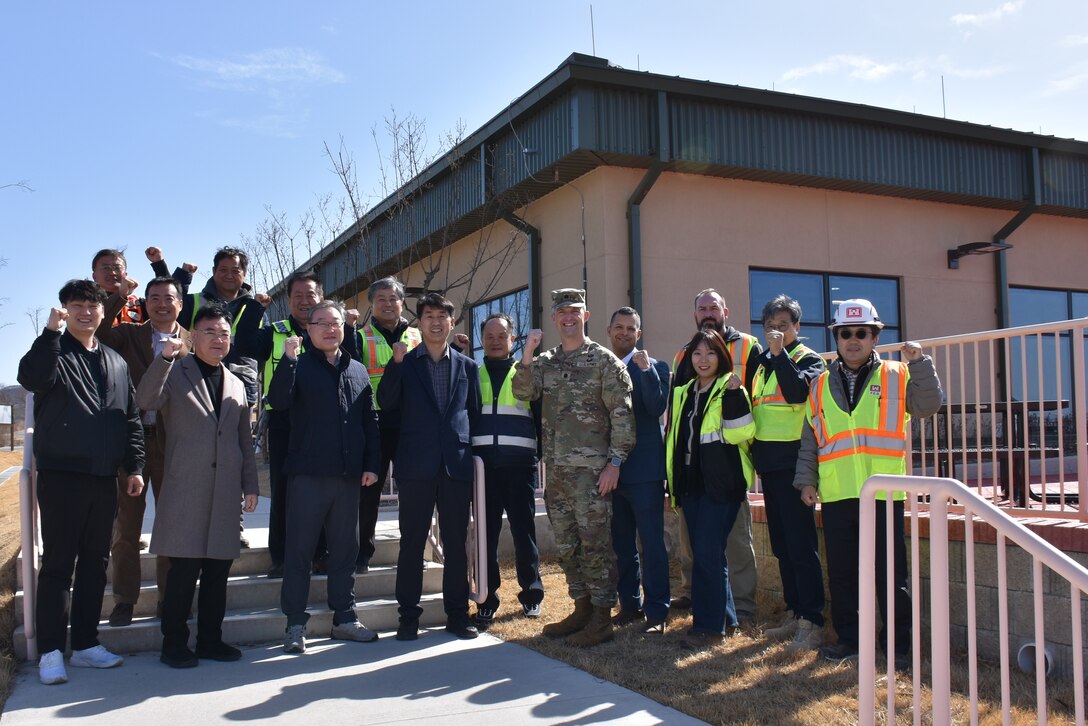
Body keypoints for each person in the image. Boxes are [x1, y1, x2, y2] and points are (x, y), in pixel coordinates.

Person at [794, 299, 943, 665]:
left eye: (862, 333)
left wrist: (921, 364)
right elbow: (811, 438)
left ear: (875, 336)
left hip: (884, 493)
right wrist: (806, 481)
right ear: (837, 338)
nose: (853, 340)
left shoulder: (898, 373)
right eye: (846, 333)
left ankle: (899, 649)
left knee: (891, 575)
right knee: (843, 575)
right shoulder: (819, 384)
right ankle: (850, 642)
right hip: (838, 492)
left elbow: (928, 405)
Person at [18, 279, 145, 685]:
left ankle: (87, 644)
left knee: (95, 562)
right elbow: (32, 379)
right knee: (58, 565)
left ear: (103, 312)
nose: (85, 313)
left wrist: (135, 466)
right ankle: (52, 651)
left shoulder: (116, 361)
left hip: (104, 477)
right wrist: (49, 334)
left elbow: (130, 418)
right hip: (62, 476)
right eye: (76, 307)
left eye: (92, 307)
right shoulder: (53, 349)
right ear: (64, 311)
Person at [137, 303, 259, 667]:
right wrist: (163, 359)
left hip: (224, 492)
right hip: (185, 490)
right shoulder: (175, 372)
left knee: (218, 574)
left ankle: (210, 640)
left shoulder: (236, 382)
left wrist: (249, 485)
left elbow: (243, 439)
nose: (218, 339)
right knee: (183, 574)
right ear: (193, 336)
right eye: (209, 332)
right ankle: (174, 644)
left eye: (224, 333)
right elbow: (144, 401)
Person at [513, 288, 635, 647]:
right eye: (561, 311)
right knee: (568, 547)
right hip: (559, 474)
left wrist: (615, 464)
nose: (568, 316)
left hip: (593, 474)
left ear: (586, 315)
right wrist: (528, 352)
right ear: (553, 319)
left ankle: (601, 618)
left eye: (574, 310)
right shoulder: (547, 361)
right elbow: (522, 391)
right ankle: (581, 609)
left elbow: (623, 416)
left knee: (595, 546)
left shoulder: (604, 361)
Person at [268, 300, 382, 654]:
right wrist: (287, 362)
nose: (330, 329)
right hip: (307, 476)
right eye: (321, 324)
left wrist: (372, 464)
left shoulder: (358, 370)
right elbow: (278, 401)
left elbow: (369, 422)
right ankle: (295, 625)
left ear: (344, 328)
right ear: (308, 329)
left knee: (345, 552)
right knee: (299, 552)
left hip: (348, 478)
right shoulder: (297, 366)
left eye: (336, 323)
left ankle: (345, 619)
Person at [377, 292, 481, 641]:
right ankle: (408, 617)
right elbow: (386, 402)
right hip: (415, 467)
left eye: (442, 316)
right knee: (411, 544)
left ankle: (457, 615)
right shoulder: (405, 363)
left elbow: (475, 414)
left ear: (452, 323)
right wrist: (394, 363)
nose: (435, 322)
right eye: (428, 316)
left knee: (455, 543)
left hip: (455, 466)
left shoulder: (467, 366)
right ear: (418, 324)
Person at [241, 270, 359, 578]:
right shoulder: (275, 331)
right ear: (289, 300)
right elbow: (242, 345)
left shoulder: (335, 328)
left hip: (326, 426)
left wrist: (350, 328)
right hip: (284, 424)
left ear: (321, 298)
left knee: (325, 491)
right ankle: (281, 557)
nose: (305, 301)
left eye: (311, 295)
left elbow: (353, 365)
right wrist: (256, 309)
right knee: (284, 492)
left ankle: (321, 554)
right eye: (298, 296)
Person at [97, 276, 192, 627]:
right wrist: (119, 296)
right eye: (154, 298)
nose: (162, 304)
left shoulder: (194, 342)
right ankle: (124, 601)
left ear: (180, 303)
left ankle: (171, 599)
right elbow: (101, 330)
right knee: (126, 528)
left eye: (169, 298)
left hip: (174, 444)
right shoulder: (130, 335)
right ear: (144, 303)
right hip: (132, 441)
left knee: (172, 526)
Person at [670, 288, 761, 622]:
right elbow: (680, 410)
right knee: (693, 543)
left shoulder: (749, 346)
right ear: (694, 313)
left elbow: (757, 399)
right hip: (693, 471)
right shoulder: (684, 354)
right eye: (701, 308)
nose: (707, 312)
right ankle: (693, 593)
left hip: (729, 465)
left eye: (713, 307)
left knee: (735, 542)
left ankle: (742, 605)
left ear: (726, 310)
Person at [751, 295, 827, 651]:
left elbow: (798, 395)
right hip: (769, 463)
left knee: (800, 543)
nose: (776, 332)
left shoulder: (808, 360)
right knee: (782, 544)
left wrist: (780, 354)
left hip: (795, 463)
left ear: (797, 327)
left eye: (784, 325)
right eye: (771, 327)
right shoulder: (764, 363)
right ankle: (795, 612)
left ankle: (813, 621)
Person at [178, 246, 262, 546]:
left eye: (236, 270)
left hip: (238, 389)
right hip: (197, 387)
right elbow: (176, 326)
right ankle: (194, 524)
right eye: (223, 269)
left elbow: (254, 348)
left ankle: (233, 526)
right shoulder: (195, 301)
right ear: (213, 272)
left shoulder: (255, 305)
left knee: (234, 458)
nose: (229, 275)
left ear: (244, 274)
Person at [470, 312, 545, 631]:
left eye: (502, 335)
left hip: (518, 466)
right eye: (489, 335)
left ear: (512, 340)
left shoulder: (525, 371)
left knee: (523, 531)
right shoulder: (471, 372)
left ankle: (532, 594)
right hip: (483, 468)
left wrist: (538, 455)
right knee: (484, 535)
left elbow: (540, 415)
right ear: (481, 340)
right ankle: (487, 600)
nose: (496, 340)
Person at [605, 307, 671, 635]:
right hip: (611, 472)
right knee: (621, 544)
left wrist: (646, 372)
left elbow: (656, 407)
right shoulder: (601, 367)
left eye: (631, 328)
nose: (625, 333)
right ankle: (629, 605)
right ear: (609, 331)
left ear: (639, 333)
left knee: (651, 543)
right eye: (619, 327)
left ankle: (657, 611)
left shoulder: (655, 366)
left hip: (644, 470)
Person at [355, 277, 422, 575]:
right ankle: (362, 552)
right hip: (376, 423)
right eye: (380, 299)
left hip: (410, 423)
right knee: (368, 491)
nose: (387, 303)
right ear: (371, 304)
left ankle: (413, 550)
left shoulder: (418, 335)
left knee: (412, 490)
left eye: (393, 298)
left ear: (402, 302)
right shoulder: (359, 336)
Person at [91, 247, 195, 327]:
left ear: (125, 274)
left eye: (117, 268)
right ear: (94, 276)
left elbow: (167, 299)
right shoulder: (84, 303)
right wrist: (120, 295)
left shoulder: (139, 305)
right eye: (106, 268)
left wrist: (159, 264)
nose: (113, 272)